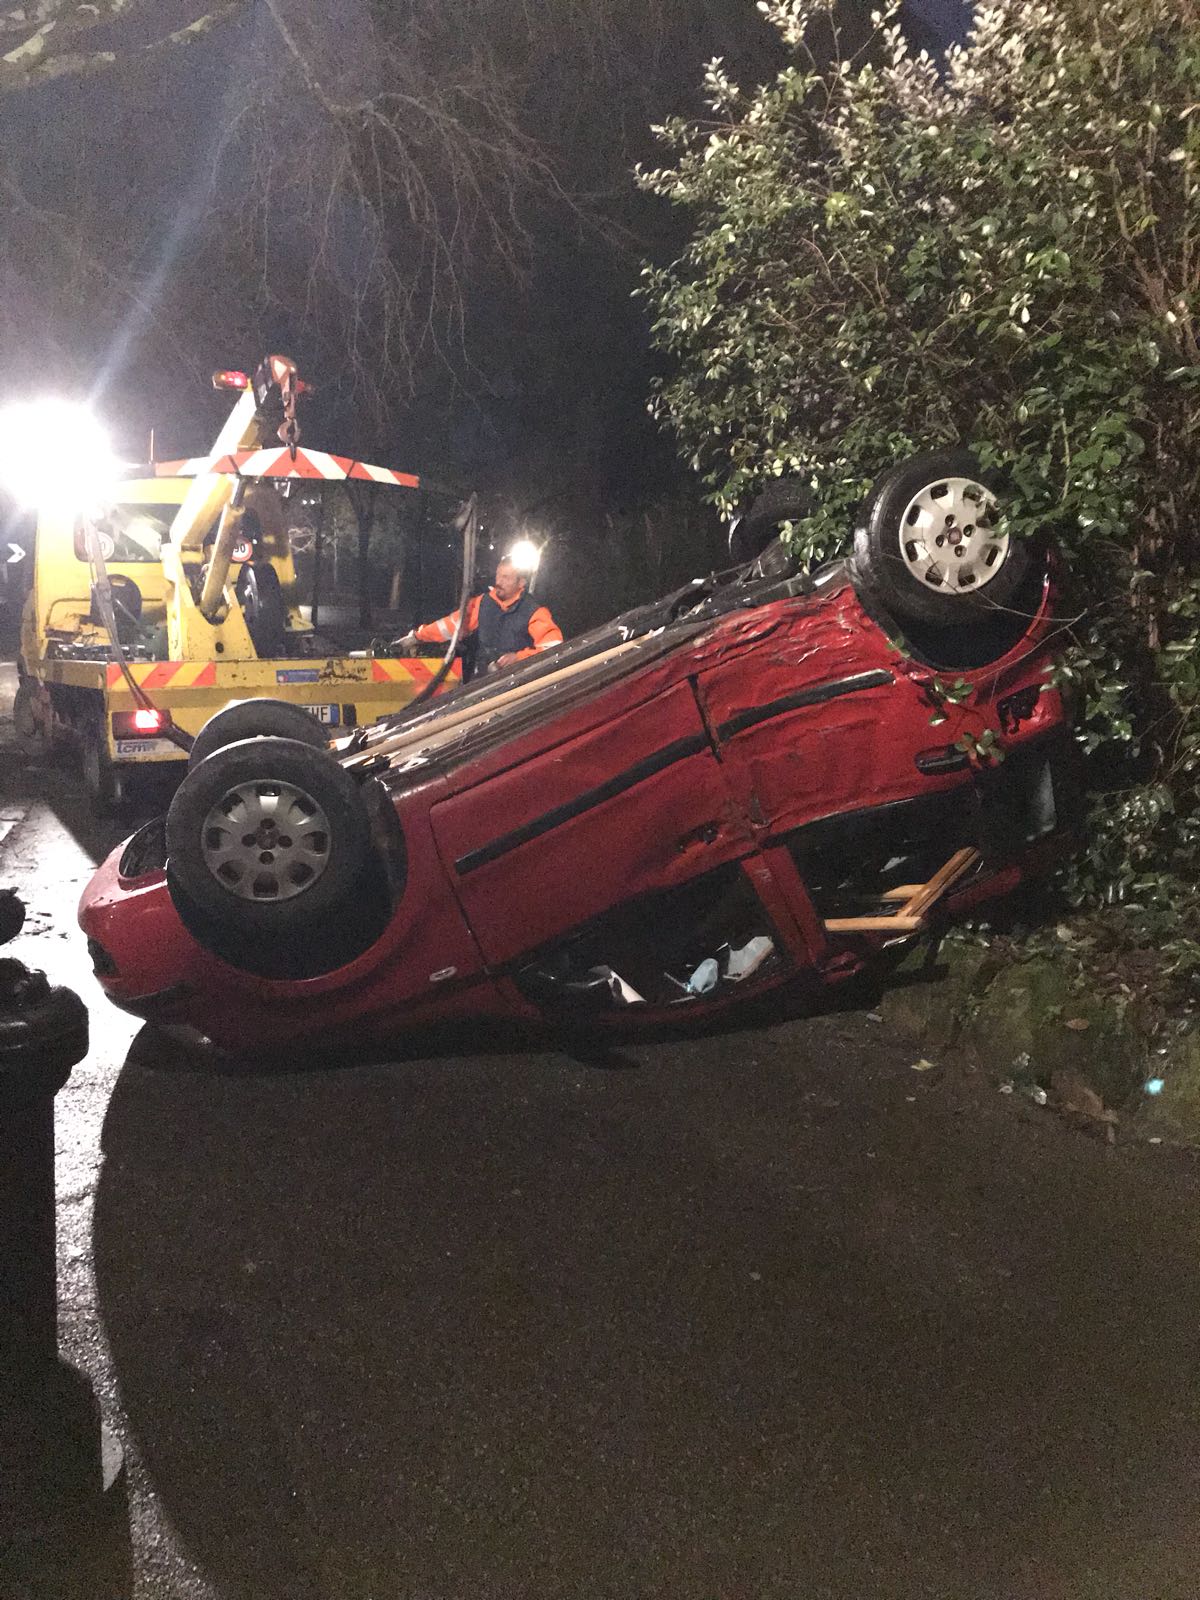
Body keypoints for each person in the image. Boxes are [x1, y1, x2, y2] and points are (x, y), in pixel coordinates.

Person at [397, 556, 563, 677]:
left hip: (518, 683)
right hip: (482, 680)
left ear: (521, 583)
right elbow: (451, 625)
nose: (499, 582)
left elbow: (553, 647)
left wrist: (519, 658)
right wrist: (417, 637)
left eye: (506, 578)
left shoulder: (533, 612)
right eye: (498, 575)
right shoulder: (483, 603)